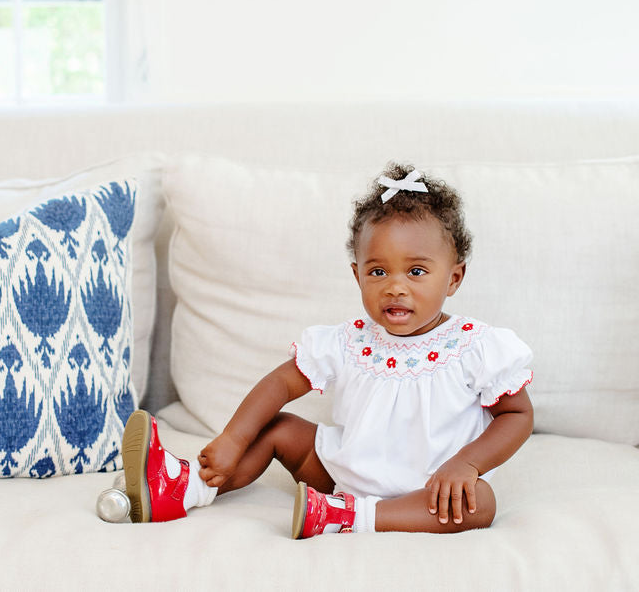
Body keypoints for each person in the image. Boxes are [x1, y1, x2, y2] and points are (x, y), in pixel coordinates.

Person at [121, 163, 534, 537]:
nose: (395, 285)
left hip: (431, 486)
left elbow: (516, 414)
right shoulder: (348, 340)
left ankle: (349, 517)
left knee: (480, 502)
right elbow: (282, 383)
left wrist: (468, 463)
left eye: (417, 271)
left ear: (454, 278)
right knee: (279, 428)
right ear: (357, 276)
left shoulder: (475, 345)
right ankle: (182, 488)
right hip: (345, 469)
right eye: (377, 271)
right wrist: (232, 438)